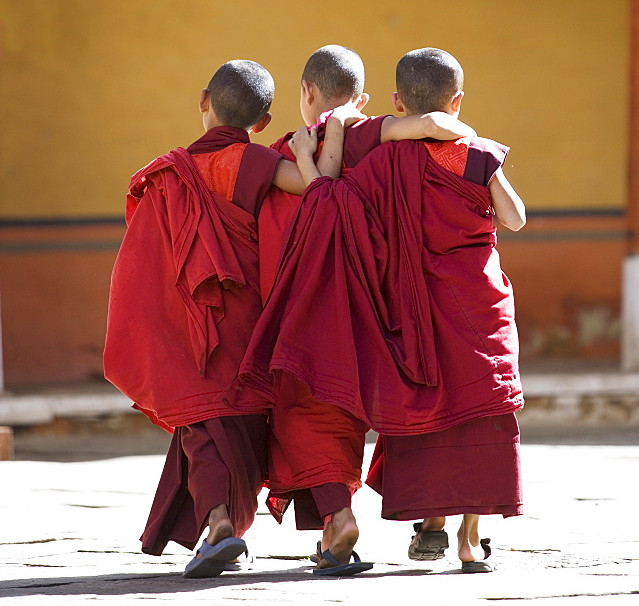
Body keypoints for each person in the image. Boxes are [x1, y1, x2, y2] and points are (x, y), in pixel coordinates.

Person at [240, 47, 525, 574]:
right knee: (481, 407)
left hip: (400, 306)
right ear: (458, 101)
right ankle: (469, 537)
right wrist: (474, 149)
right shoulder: (471, 153)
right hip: (476, 304)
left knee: (419, 404)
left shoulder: (372, 158)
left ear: (396, 101)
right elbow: (515, 217)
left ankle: (396, 521)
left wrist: (309, 159)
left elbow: (334, 202)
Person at [104, 60, 345, 579]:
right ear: (261, 123)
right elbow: (316, 188)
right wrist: (311, 148)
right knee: (241, 425)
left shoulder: (167, 173)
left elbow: (144, 262)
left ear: (203, 100)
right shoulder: (254, 162)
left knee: (202, 427)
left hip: (182, 326)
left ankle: (219, 522)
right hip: (245, 322)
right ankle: (224, 525)